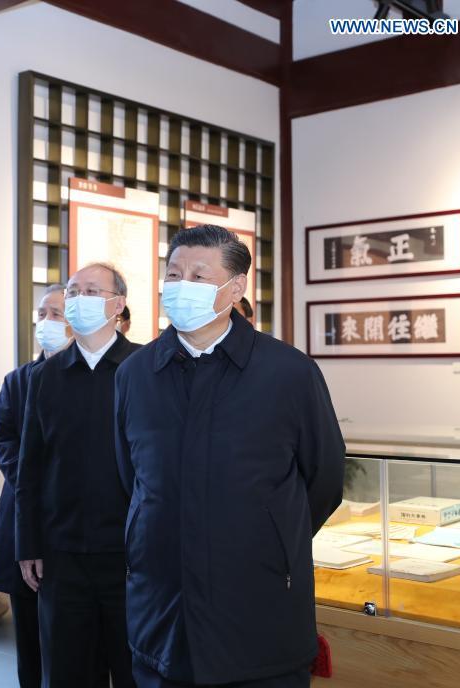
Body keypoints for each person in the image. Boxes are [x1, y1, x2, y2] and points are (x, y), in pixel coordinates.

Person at [114, 225, 344, 688]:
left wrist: (270, 535)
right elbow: (130, 477)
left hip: (260, 611)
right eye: (174, 274)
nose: (181, 286)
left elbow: (324, 480)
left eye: (199, 276)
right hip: (163, 614)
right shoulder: (135, 373)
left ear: (236, 287)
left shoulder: (289, 372)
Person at [16, 263, 140, 688]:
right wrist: (28, 543)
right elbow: (30, 467)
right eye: (72, 291)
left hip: (131, 554)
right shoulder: (45, 375)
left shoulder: (144, 367)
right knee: (68, 671)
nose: (78, 299)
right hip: (62, 553)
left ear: (117, 305)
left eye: (91, 290)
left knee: (135, 670)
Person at [0, 284, 70, 688]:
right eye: (42, 314)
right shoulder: (18, 379)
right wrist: (35, 480)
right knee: (29, 633)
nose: (46, 322)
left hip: (75, 522)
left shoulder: (98, 377)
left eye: (56, 314)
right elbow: (3, 439)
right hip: (25, 512)